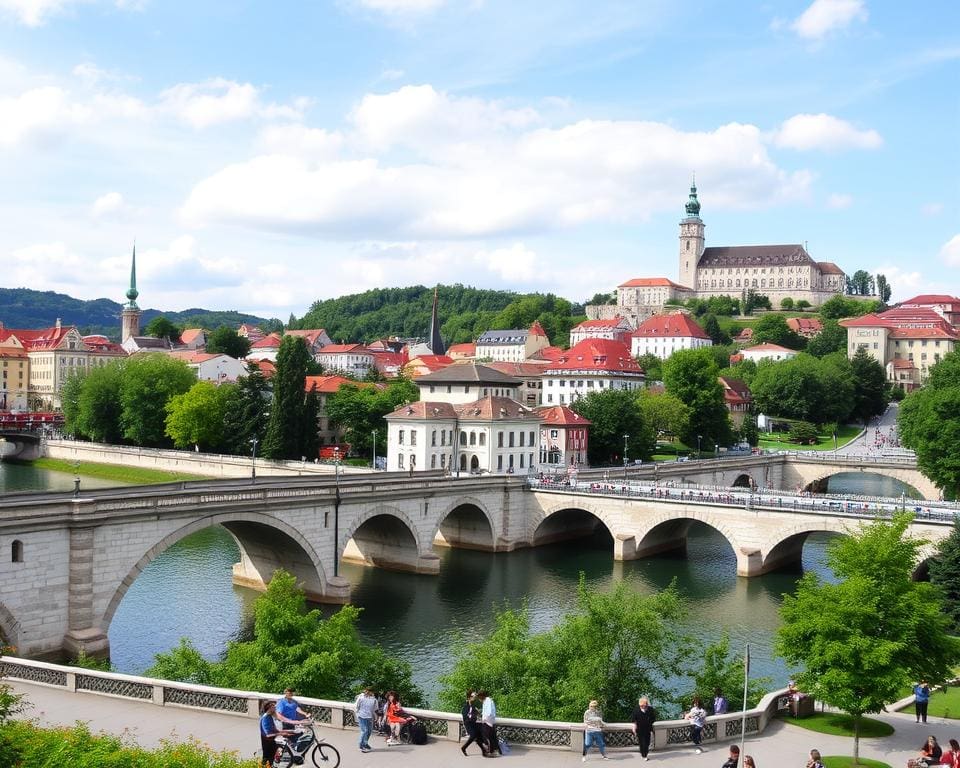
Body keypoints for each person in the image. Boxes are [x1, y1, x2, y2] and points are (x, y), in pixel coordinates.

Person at [259, 700, 295, 768]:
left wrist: (288, 732)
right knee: (267, 760)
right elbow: (268, 734)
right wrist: (282, 734)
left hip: (271, 741)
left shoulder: (269, 717)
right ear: (269, 708)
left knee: (272, 759)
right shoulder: (266, 718)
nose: (275, 708)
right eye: (274, 707)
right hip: (267, 742)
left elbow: (275, 730)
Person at [630, 695, 656, 760]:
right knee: (642, 742)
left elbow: (653, 718)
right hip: (640, 729)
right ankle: (644, 755)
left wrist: (649, 722)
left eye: (644, 705)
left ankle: (645, 753)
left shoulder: (650, 709)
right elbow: (633, 720)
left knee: (647, 742)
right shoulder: (636, 710)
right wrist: (634, 727)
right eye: (641, 706)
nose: (643, 707)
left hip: (648, 728)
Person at [478, 690, 502, 757]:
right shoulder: (486, 701)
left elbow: (489, 713)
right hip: (489, 721)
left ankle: (491, 752)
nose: (479, 699)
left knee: (488, 737)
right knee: (492, 737)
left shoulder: (488, 701)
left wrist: (483, 719)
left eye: (479, 697)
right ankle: (497, 751)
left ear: (482, 696)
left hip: (488, 722)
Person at [461, 690, 484, 756]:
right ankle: (464, 748)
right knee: (473, 735)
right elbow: (466, 717)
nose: (474, 697)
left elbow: (478, 715)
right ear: (469, 698)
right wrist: (473, 715)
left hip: (473, 723)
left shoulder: (473, 707)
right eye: (473, 696)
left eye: (475, 696)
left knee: (478, 736)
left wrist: (479, 713)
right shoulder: (465, 707)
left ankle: (483, 750)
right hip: (468, 724)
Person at [354, 686, 377, 753]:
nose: (368, 692)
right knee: (364, 731)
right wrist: (358, 714)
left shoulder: (374, 699)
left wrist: (375, 716)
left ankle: (365, 744)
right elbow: (356, 706)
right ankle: (361, 745)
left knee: (369, 731)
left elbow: (374, 709)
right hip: (362, 716)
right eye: (368, 691)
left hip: (369, 717)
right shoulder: (361, 698)